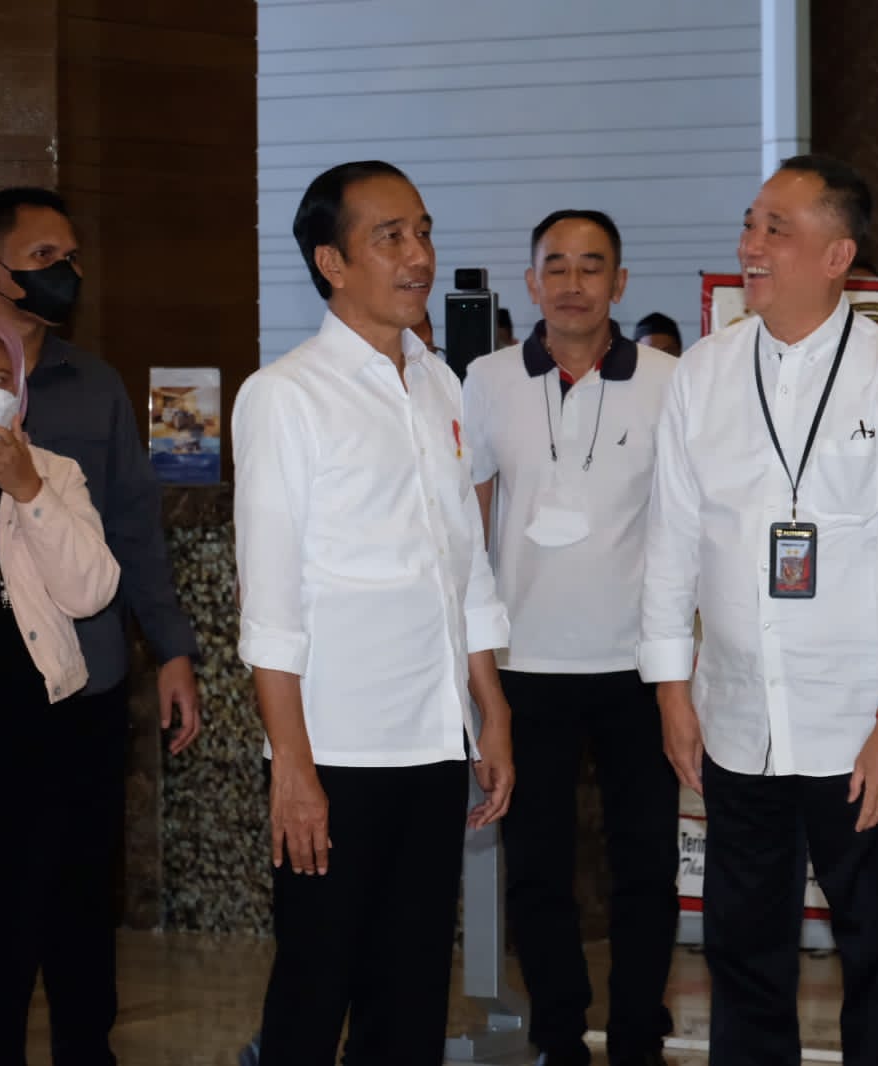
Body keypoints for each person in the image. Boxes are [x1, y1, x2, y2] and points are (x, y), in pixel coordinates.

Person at [639, 155, 878, 1066]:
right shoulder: (702, 374)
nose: (752, 244)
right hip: (737, 717)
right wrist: (670, 688)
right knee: (742, 949)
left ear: (838, 255)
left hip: (860, 723)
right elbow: (672, 539)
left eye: (776, 229)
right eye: (750, 223)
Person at [233, 160, 515, 1066]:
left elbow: (463, 568)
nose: (417, 255)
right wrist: (292, 767)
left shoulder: (439, 385)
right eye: (389, 237)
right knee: (316, 988)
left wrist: (491, 709)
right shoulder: (286, 396)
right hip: (337, 748)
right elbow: (270, 605)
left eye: (423, 231)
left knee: (411, 993)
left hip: (432, 740)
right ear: (332, 261)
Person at [0, 186, 202, 1066]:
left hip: (87, 680)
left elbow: (136, 530)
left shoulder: (94, 386)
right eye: (43, 258)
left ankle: (85, 1048)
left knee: (78, 892)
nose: (65, 273)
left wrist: (172, 649)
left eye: (71, 258)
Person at [464, 209, 679, 1066]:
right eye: (555, 266)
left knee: (646, 867)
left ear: (619, 283)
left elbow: (685, 528)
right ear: (531, 282)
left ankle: (637, 1037)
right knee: (537, 870)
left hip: (639, 667)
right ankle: (559, 1036)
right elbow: (471, 524)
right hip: (525, 667)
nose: (573, 283)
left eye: (592, 267)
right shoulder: (485, 380)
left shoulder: (670, 381)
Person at [0, 312, 121, 1064]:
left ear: (18, 390)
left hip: (46, 738)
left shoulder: (57, 472)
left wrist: (28, 491)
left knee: (34, 932)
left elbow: (91, 590)